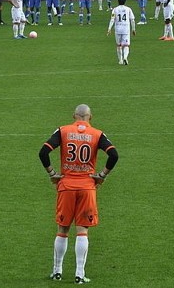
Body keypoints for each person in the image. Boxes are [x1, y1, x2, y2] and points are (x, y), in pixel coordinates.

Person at [39, 104, 118, 285]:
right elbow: (114, 155)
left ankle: (57, 271)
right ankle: (79, 274)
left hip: (66, 186)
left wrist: (52, 174)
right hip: (87, 187)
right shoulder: (97, 134)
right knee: (82, 230)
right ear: (90, 117)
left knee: (63, 229)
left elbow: (43, 152)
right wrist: (102, 176)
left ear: (74, 115)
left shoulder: (63, 131)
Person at [107, 0, 136, 65]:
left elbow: (112, 19)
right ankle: (125, 57)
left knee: (118, 45)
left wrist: (109, 28)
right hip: (126, 29)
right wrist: (133, 29)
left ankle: (120, 60)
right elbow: (132, 20)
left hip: (118, 29)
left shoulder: (115, 9)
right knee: (126, 45)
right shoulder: (128, 9)